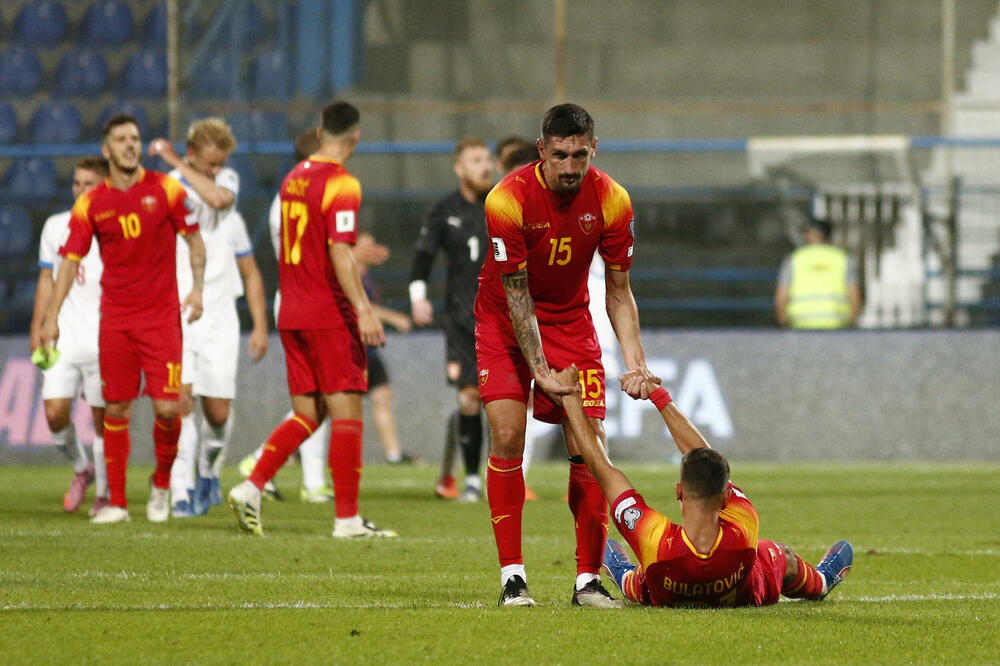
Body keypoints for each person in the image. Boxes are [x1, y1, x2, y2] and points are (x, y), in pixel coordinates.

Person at [475, 103, 656, 607]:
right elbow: (516, 296)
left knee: (591, 445)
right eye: (560, 155)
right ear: (542, 152)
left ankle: (588, 581)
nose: (571, 166)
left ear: (592, 148)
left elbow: (619, 291)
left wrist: (635, 362)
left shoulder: (614, 200)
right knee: (509, 436)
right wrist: (540, 372)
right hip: (504, 324)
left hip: (572, 324)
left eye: (580, 154)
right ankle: (513, 576)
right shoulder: (506, 201)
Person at [227, 101, 395, 538]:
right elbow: (339, 250)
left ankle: (252, 485)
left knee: (308, 412)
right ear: (356, 137)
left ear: (320, 130)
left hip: (292, 309)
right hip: (327, 311)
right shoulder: (342, 184)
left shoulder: (293, 178)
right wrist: (362, 309)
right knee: (346, 412)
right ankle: (347, 519)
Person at [555, 365, 854, 607]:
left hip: (662, 586)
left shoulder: (655, 540)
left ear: (678, 492)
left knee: (644, 576)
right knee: (779, 554)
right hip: (743, 593)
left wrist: (570, 398)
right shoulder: (744, 524)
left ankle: (623, 574)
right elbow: (708, 457)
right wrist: (659, 396)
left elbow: (601, 468)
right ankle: (822, 581)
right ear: (725, 497)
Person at [39, 113, 206, 525]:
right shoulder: (91, 203)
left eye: (135, 138)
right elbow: (68, 262)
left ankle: (162, 482)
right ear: (106, 149)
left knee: (169, 409)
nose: (131, 145)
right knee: (115, 410)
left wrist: (198, 286)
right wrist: (51, 317)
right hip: (115, 320)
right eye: (121, 139)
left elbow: (195, 240)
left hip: (162, 319)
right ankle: (117, 503)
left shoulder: (166, 189)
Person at [148, 118, 269, 518]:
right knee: (179, 401)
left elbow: (217, 200)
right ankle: (180, 490)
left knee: (217, 411)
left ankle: (208, 470)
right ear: (193, 153)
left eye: (220, 164)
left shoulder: (225, 182)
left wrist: (260, 324)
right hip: (178, 309)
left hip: (219, 316)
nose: (216, 170)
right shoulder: (169, 187)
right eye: (209, 163)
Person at [409, 136, 494, 502]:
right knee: (469, 399)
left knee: (503, 402)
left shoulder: (502, 205)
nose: (485, 167)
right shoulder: (445, 209)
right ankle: (472, 480)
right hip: (461, 319)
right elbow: (423, 256)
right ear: (459, 168)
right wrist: (417, 298)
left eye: (487, 160)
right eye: (476, 160)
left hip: (503, 318)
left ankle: (498, 475)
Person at [29, 156, 110, 516]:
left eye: (88, 184)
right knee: (55, 414)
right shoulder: (55, 226)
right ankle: (83, 470)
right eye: (76, 183)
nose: (80, 190)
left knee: (102, 419)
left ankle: (105, 494)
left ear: (103, 186)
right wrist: (40, 324)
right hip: (65, 335)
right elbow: (46, 279)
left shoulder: (115, 225)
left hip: (106, 334)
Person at [355, 231, 415, 465]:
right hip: (352, 350)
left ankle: (394, 453)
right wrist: (395, 318)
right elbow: (361, 307)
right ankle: (302, 448)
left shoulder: (365, 275)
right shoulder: (350, 274)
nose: (372, 249)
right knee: (335, 405)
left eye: (373, 244)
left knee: (382, 397)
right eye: (366, 245)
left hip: (369, 349)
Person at [774, 217, 862, 329]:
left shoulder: (794, 259)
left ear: (807, 234)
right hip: (836, 325)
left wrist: (783, 321)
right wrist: (851, 321)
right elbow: (855, 295)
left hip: (800, 325)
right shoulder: (843, 259)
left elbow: (781, 295)